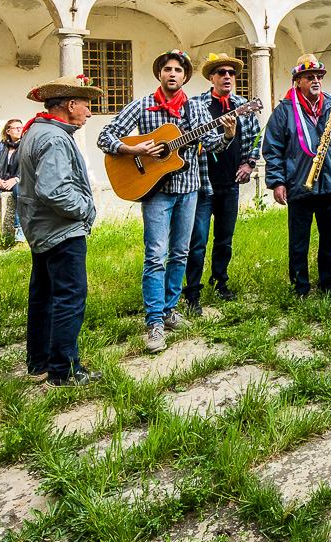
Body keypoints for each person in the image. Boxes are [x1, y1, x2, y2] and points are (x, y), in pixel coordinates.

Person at [98, 51, 232, 354]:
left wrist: (227, 134)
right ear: (160, 73)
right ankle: (154, 321)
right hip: (156, 191)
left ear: (185, 76)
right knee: (156, 255)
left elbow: (211, 144)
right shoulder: (143, 105)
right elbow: (106, 136)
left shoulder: (195, 109)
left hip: (188, 189)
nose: (173, 74)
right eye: (168, 69)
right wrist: (131, 150)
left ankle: (170, 310)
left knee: (180, 253)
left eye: (178, 70)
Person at [18, 75, 103, 387]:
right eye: (86, 105)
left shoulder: (37, 131)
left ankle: (39, 362)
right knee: (69, 297)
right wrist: (85, 208)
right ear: (70, 105)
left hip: (41, 230)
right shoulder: (54, 138)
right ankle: (63, 371)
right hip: (60, 230)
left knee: (44, 297)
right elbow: (53, 190)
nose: (89, 112)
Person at [262, 54, 331, 297]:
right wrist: (277, 182)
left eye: (318, 76)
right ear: (297, 82)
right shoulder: (284, 111)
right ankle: (300, 285)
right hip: (299, 186)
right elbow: (273, 149)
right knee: (299, 240)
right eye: (309, 77)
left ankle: (328, 281)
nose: (315, 80)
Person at [183, 53, 261, 309]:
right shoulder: (196, 105)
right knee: (197, 242)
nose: (227, 76)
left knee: (224, 240)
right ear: (211, 77)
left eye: (231, 73)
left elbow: (254, 139)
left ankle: (220, 281)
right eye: (221, 72)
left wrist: (249, 163)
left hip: (230, 183)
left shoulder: (243, 106)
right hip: (203, 184)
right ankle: (192, 291)